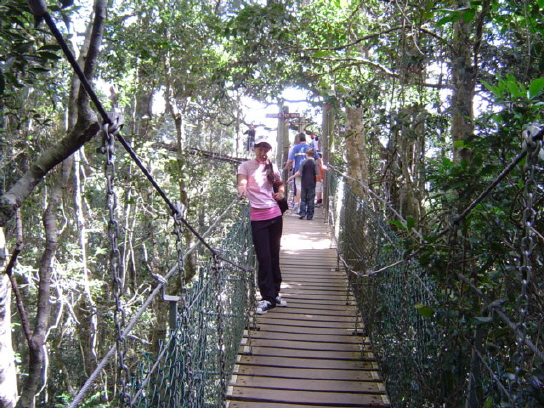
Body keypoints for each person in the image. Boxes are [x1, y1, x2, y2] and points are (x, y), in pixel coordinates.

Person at [237, 140, 288, 314]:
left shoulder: (271, 167)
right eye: (260, 149)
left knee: (274, 256)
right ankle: (267, 298)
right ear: (254, 150)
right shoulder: (245, 166)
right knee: (264, 258)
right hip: (258, 218)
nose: (262, 152)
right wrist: (242, 190)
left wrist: (280, 193)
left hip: (275, 215)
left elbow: (280, 184)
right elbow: (242, 182)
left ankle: (274, 294)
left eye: (265, 149)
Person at [284, 133, 320, 214]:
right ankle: (307, 207)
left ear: (298, 139)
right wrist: (321, 167)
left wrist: (286, 168)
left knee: (299, 188)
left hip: (298, 171)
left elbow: (290, 160)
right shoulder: (311, 147)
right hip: (310, 173)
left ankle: (297, 205)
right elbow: (318, 159)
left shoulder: (295, 148)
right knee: (309, 189)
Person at [287, 148, 318, 220]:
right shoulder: (315, 163)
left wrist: (292, 177)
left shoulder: (303, 162)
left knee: (303, 199)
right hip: (312, 184)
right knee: (311, 199)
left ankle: (302, 213)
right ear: (313, 155)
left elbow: (299, 172)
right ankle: (310, 215)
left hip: (304, 183)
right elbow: (317, 174)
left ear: (306, 154)